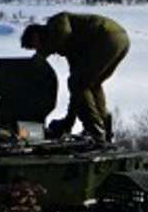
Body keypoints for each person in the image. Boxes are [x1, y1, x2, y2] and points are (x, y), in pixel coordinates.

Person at [20, 12, 131, 143]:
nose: (37, 49)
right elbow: (77, 94)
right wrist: (68, 122)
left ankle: (95, 130)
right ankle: (103, 126)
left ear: (36, 36)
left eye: (35, 46)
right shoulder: (70, 49)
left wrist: (42, 55)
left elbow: (64, 32)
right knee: (89, 85)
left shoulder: (56, 22)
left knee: (78, 82)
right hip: (118, 39)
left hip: (107, 36)